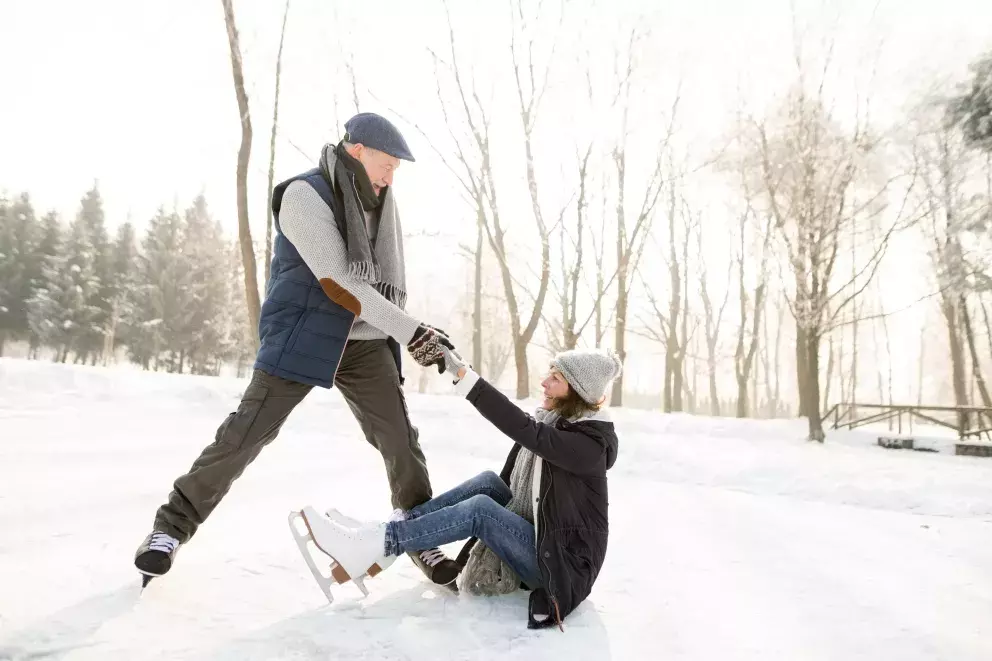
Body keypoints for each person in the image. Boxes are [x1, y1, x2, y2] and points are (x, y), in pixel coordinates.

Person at [134, 112, 461, 589]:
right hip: (305, 330)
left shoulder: (379, 203)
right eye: (386, 164)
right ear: (356, 150)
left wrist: (410, 334)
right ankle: (169, 528)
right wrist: (413, 332)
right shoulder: (302, 196)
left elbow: (380, 290)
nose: (391, 177)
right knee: (244, 436)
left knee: (400, 441)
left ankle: (419, 534)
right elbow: (341, 284)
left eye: (396, 169)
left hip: (366, 340)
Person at [295, 347, 622, 630]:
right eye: (548, 373)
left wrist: (469, 380)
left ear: (576, 392)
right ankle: (387, 535)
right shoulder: (561, 426)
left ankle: (382, 541)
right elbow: (527, 438)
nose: (544, 382)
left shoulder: (586, 446)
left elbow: (523, 429)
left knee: (483, 510)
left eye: (556, 378)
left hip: (557, 566)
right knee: (490, 484)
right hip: (541, 538)